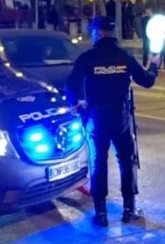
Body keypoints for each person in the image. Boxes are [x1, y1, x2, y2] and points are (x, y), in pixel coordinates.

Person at [66, 16, 160, 226]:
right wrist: (154, 65)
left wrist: (76, 103)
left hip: (96, 118)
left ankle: (101, 214)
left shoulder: (87, 57)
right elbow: (147, 81)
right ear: (113, 33)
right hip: (121, 117)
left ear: (97, 33)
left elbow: (71, 83)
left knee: (98, 163)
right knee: (127, 161)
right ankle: (129, 209)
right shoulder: (124, 56)